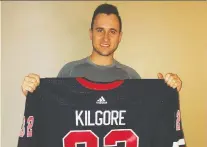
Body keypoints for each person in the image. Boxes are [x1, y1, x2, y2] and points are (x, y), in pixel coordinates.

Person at [21, 3, 182, 96]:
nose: (106, 38)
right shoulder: (69, 71)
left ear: (120, 36)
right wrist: (33, 92)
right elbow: (52, 111)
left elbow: (147, 119)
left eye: (112, 31)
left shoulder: (132, 77)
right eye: (100, 30)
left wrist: (167, 92)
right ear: (91, 33)